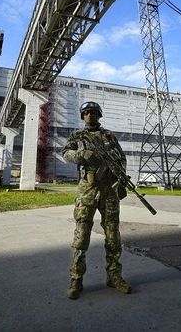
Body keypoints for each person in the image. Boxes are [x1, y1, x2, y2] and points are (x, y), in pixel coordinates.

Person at [62, 101, 132, 300]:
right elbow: (65, 154)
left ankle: (114, 276)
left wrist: (121, 181)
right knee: (81, 235)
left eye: (93, 112)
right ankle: (76, 279)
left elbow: (121, 159)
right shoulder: (78, 136)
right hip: (87, 190)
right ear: (82, 116)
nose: (90, 115)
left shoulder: (109, 136)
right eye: (86, 113)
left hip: (109, 190)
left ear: (99, 115)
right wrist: (80, 154)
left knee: (113, 236)